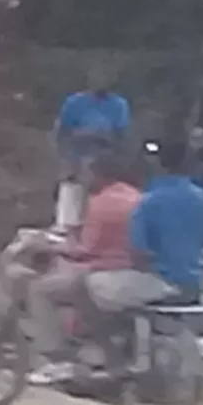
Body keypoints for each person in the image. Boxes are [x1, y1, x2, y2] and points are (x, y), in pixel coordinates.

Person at [28, 150, 145, 383]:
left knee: (39, 290)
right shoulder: (136, 196)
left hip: (104, 269)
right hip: (128, 267)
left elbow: (85, 249)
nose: (84, 177)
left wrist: (53, 247)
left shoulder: (100, 203)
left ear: (99, 174)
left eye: (87, 172)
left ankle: (58, 359)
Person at [130, 140, 203, 304]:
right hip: (193, 285)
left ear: (159, 164)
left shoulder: (148, 201)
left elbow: (138, 252)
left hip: (161, 287)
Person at [52, 78, 132, 231]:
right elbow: (61, 134)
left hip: (103, 160)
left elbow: (121, 137)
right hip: (76, 161)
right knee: (68, 217)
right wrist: (67, 164)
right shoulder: (74, 102)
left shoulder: (119, 105)